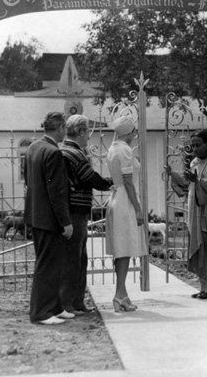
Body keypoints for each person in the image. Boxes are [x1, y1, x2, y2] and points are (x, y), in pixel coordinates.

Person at [166, 130, 207, 299]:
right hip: (196, 210)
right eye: (192, 145)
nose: (194, 148)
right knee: (201, 248)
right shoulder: (194, 162)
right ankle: (204, 286)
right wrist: (172, 174)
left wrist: (198, 181)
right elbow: (187, 184)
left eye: (198, 145)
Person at [60, 114, 113, 315]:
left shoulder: (66, 151)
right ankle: (69, 303)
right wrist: (112, 182)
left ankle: (76, 302)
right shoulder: (74, 153)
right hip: (75, 212)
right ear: (81, 131)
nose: (89, 136)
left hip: (74, 210)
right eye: (88, 131)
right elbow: (90, 178)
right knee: (74, 259)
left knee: (79, 257)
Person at [23, 112, 73, 325]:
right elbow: (57, 191)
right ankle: (40, 313)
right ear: (60, 127)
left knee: (53, 264)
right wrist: (66, 221)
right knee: (47, 265)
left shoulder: (33, 148)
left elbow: (28, 180)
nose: (65, 133)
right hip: (49, 218)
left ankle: (55, 307)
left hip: (36, 215)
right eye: (65, 129)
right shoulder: (54, 152)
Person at [105, 115, 147, 312]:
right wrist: (138, 209)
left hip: (116, 197)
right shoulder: (125, 150)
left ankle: (121, 293)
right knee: (124, 248)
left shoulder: (113, 149)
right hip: (125, 201)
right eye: (134, 131)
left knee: (121, 248)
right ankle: (120, 294)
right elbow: (129, 182)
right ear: (129, 133)